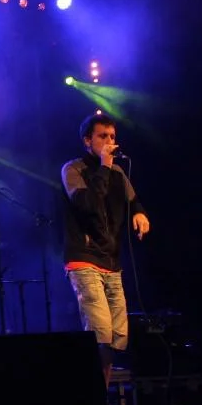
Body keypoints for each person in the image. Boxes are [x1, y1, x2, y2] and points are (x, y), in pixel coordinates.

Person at [61, 113, 150, 390]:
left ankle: (99, 396)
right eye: (103, 136)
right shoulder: (73, 169)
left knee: (115, 336)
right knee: (99, 332)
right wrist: (103, 167)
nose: (110, 142)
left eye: (112, 136)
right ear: (88, 141)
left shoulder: (118, 173)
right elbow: (86, 204)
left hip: (111, 261)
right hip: (83, 258)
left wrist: (139, 213)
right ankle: (92, 397)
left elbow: (133, 200)